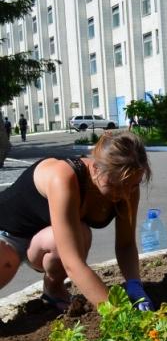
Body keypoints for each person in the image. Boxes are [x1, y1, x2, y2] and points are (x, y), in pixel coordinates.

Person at [0, 132, 154, 311]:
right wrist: (115, 314)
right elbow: (72, 263)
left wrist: (135, 284)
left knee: (80, 233)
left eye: (133, 185)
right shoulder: (63, 177)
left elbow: (126, 244)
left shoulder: (127, 182)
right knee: (7, 261)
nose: (125, 194)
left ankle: (53, 290)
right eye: (115, 186)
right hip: (7, 234)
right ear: (96, 168)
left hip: (43, 239)